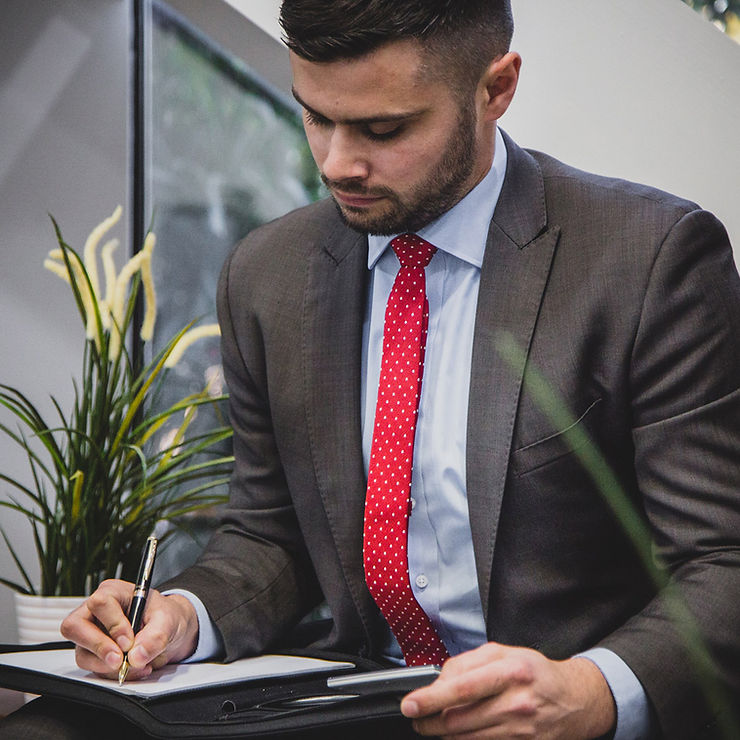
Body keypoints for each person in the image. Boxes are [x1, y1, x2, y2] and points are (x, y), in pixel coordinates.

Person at [5, 1, 740, 738]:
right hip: (353, 699)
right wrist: (181, 616)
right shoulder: (269, 274)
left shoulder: (647, 261)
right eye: (316, 117)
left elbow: (723, 561)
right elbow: (270, 535)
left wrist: (594, 691)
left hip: (551, 712)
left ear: (496, 89)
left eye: (383, 130)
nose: (335, 164)